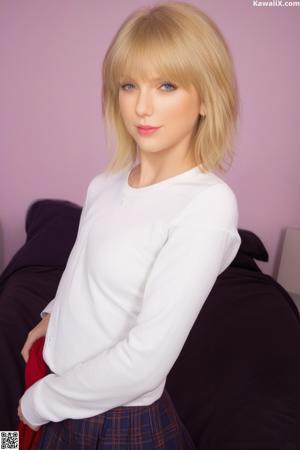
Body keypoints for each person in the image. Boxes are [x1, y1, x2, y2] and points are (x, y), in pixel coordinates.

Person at [18, 1, 242, 448]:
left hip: (109, 419)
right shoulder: (105, 184)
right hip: (52, 378)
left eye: (166, 85)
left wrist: (34, 405)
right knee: (6, 444)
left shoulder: (209, 206)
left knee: (13, 431)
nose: (142, 106)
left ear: (205, 98)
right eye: (128, 85)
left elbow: (145, 362)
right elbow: (81, 267)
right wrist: (50, 316)